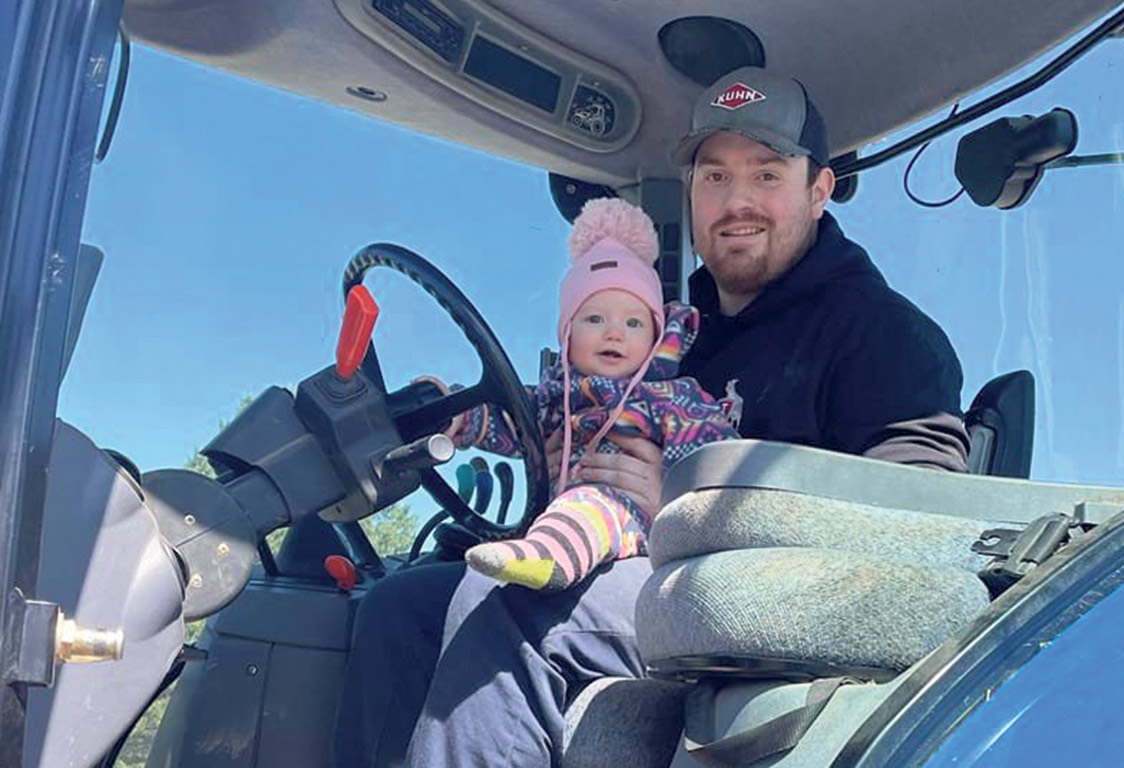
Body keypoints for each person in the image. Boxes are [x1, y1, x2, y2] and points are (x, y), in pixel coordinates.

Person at [335, 66, 968, 768]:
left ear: (818, 190)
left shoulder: (879, 332)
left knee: (515, 604)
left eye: (766, 175)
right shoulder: (665, 335)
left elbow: (916, 523)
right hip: (634, 571)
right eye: (715, 177)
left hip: (759, 610)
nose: (737, 201)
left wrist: (684, 505)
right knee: (400, 606)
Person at [452, 197, 737, 591]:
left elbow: (712, 458)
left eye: (634, 322)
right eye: (594, 318)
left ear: (657, 340)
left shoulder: (671, 398)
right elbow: (503, 419)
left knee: (593, 505)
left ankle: (548, 560)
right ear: (567, 334)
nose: (614, 332)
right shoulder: (552, 398)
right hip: (554, 516)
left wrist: (674, 492)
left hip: (632, 520)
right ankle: (542, 552)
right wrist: (455, 414)